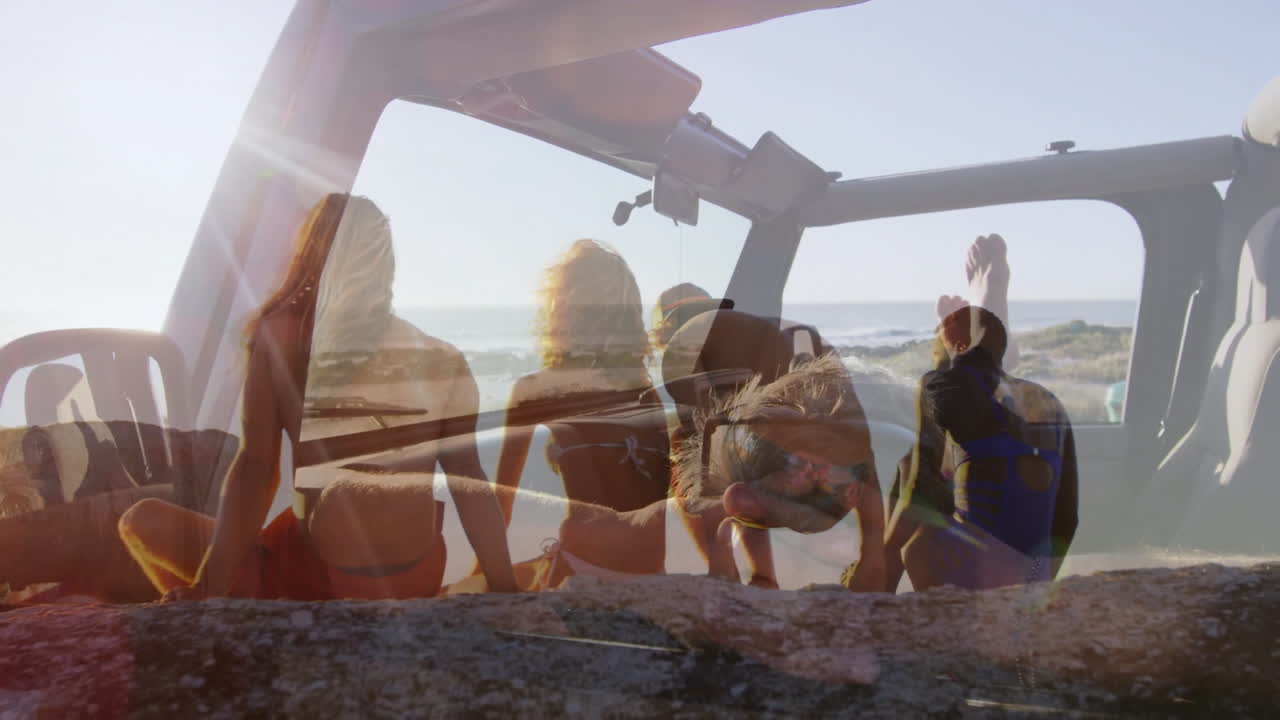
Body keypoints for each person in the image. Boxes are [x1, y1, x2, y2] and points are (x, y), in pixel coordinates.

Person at [117, 193, 517, 599]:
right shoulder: (441, 357)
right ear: (385, 265)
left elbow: (257, 470)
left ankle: (207, 636)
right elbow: (468, 479)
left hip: (316, 577)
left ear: (312, 254)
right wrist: (507, 589)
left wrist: (209, 589)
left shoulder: (282, 337)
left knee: (144, 520)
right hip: (414, 577)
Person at [883, 305, 1078, 591]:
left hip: (976, 572)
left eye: (936, 340)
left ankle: (888, 588)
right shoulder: (1046, 398)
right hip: (1034, 569)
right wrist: (1039, 581)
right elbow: (1067, 514)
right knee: (911, 464)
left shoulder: (940, 385)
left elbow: (923, 486)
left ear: (959, 345)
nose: (932, 349)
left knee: (920, 539)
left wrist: (882, 562)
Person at [493, 239, 668, 541]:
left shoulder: (536, 391)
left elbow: (500, 510)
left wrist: (485, 578)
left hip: (589, 564)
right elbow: (655, 511)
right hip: (650, 567)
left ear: (564, 306)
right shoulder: (645, 393)